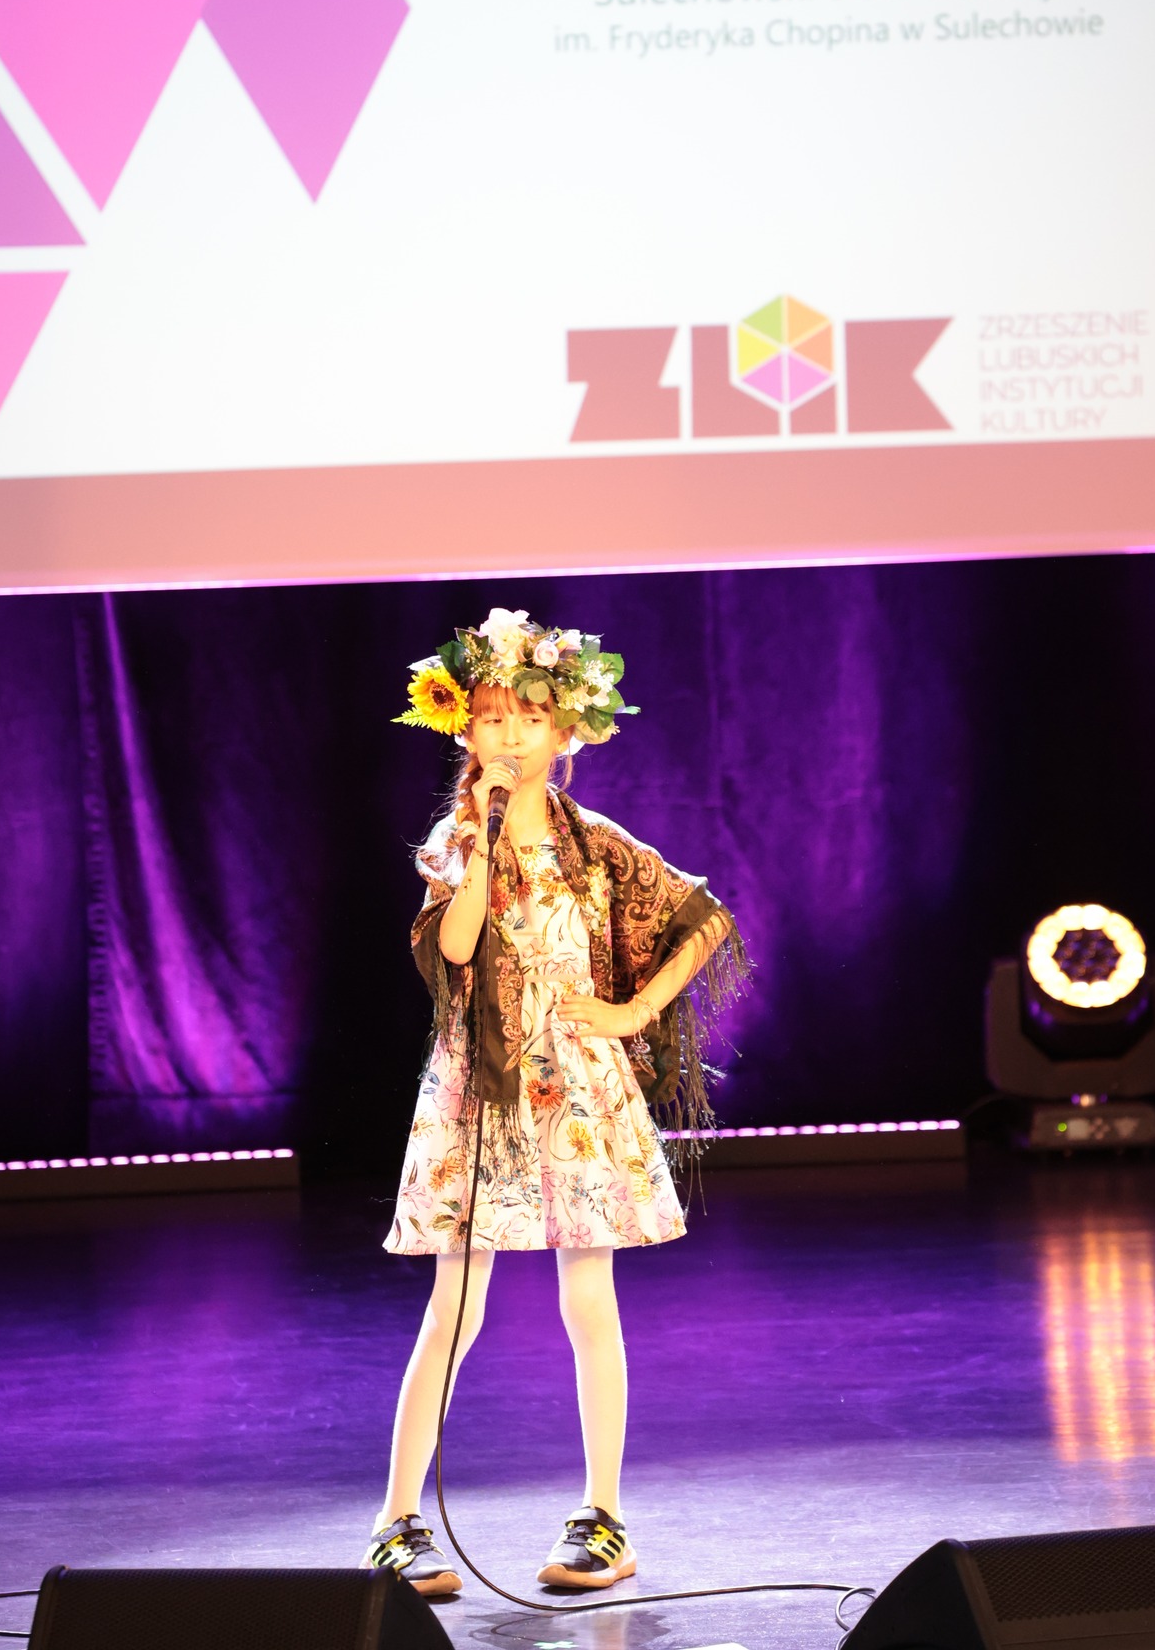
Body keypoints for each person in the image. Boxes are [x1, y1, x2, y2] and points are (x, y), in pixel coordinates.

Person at [363, 608, 751, 1599]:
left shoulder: (597, 845)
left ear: (567, 730)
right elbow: (455, 948)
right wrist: (483, 840)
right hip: (481, 1090)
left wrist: (632, 1010)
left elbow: (703, 918)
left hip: (575, 1085)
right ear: (465, 729)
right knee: (455, 1308)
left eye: (529, 717)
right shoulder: (458, 839)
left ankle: (603, 1516)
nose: (508, 734)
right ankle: (397, 1518)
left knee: (589, 1301)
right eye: (491, 717)